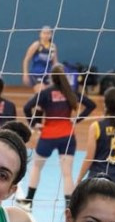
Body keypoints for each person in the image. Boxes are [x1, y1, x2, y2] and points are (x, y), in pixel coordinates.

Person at [21, 64, 97, 208]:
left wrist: (33, 124)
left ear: (51, 78)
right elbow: (91, 105)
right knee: (67, 173)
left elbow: (26, 107)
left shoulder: (45, 93)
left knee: (36, 167)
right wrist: (77, 119)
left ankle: (29, 200)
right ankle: (69, 206)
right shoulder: (70, 92)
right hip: (67, 136)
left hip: (48, 135)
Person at [77, 87, 115, 201]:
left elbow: (89, 157)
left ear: (105, 105)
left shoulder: (96, 127)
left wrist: (79, 179)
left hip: (97, 180)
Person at [23, 26, 58, 90]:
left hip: (48, 74)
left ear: (51, 34)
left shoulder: (53, 46)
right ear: (40, 34)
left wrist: (56, 74)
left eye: (48, 33)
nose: (46, 35)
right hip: (36, 74)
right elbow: (26, 60)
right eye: (44, 33)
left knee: (49, 91)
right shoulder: (36, 45)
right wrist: (25, 74)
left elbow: (55, 62)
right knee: (40, 90)